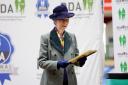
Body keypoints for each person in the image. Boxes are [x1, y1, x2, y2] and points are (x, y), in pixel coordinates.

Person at [38, 4, 87, 85]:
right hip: (52, 82)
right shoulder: (45, 38)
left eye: (67, 20)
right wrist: (57, 64)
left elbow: (75, 58)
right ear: (55, 21)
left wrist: (80, 61)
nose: (65, 23)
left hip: (70, 81)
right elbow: (41, 62)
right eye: (62, 20)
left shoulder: (72, 37)